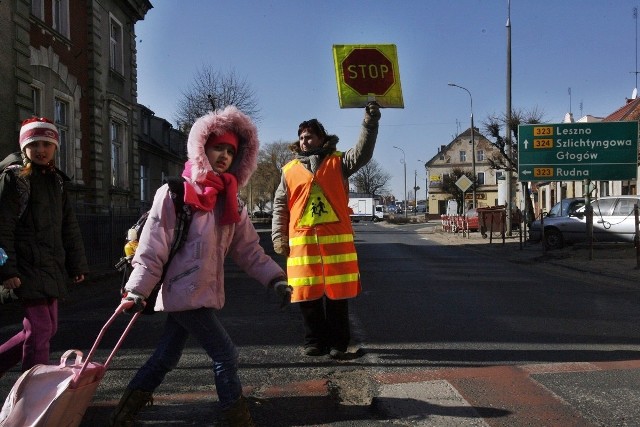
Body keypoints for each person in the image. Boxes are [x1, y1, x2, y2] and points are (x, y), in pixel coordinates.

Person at [109, 106, 292, 427]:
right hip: (182, 291)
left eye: (231, 151)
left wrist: (275, 278)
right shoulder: (175, 194)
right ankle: (237, 418)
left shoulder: (231, 202)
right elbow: (152, 248)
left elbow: (249, 250)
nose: (223, 155)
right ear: (202, 147)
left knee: (166, 356)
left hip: (200, 293)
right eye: (218, 147)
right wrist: (136, 290)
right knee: (225, 354)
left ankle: (124, 412)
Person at [271, 102, 381, 359]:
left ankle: (338, 344)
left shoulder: (339, 162)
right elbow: (280, 206)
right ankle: (314, 342)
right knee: (306, 297)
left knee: (337, 299)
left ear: (321, 138)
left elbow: (363, 153)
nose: (304, 141)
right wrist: (279, 236)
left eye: (309, 136)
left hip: (336, 247)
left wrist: (370, 121)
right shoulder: (289, 171)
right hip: (303, 246)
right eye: (300, 137)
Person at [0, 117, 88, 376]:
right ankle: (32, 394)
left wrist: (76, 264)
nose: (41, 149)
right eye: (34, 144)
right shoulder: (14, 179)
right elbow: (2, 228)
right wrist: (6, 270)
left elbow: (68, 227)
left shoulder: (56, 182)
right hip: (24, 267)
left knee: (46, 329)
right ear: (24, 146)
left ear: (55, 148)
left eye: (47, 144)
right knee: (39, 330)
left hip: (50, 266)